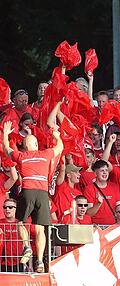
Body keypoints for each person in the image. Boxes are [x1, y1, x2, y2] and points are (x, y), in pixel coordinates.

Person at [2, 101, 65, 273]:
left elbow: (7, 149)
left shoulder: (21, 156)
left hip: (28, 191)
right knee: (40, 229)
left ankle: (26, 247)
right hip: (43, 194)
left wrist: (5, 134)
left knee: (21, 222)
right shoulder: (46, 154)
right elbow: (60, 147)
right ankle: (39, 261)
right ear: (36, 145)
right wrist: (56, 135)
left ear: (25, 146)